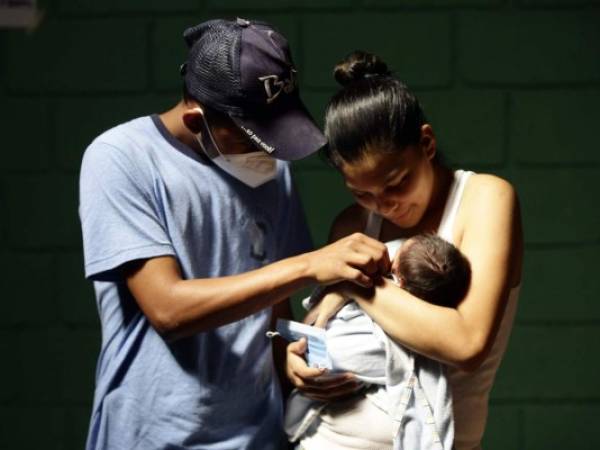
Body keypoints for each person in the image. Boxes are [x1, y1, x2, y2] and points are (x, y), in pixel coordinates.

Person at [78, 22, 390, 450]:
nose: (270, 151)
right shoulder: (121, 158)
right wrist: (308, 265)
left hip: (258, 437)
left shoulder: (271, 169)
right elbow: (167, 309)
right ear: (196, 118)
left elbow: (275, 301)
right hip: (153, 435)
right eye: (255, 138)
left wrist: (286, 356)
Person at [286, 51, 523, 450]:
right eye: (362, 193)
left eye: (396, 183)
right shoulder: (352, 225)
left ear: (426, 143)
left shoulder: (484, 199)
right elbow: (323, 328)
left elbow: (466, 343)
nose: (384, 204)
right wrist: (299, 361)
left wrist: (353, 283)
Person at [285, 234, 471, 449]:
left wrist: (352, 287)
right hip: (321, 437)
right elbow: (313, 326)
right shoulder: (362, 241)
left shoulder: (406, 310)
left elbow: (335, 355)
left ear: (398, 279)